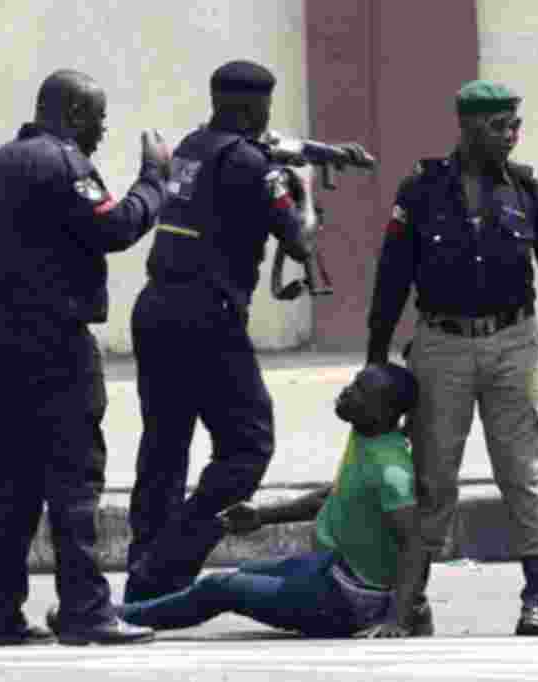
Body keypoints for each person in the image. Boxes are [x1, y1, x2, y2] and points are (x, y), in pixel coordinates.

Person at [0, 68, 171, 646]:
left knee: (14, 486)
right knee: (74, 482)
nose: (101, 132)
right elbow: (117, 227)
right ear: (73, 114)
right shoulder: (63, 163)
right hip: (56, 348)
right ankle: (86, 612)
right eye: (97, 119)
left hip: (4, 349)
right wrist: (155, 178)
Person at [365, 79, 538, 636]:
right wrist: (375, 355)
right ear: (465, 127)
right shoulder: (421, 190)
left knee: (525, 471)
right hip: (440, 345)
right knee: (432, 475)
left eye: (515, 125)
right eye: (498, 127)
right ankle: (413, 598)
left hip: (514, 342)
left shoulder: (530, 190)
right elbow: (392, 276)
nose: (511, 136)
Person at [120, 60, 323, 603]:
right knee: (247, 446)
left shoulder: (193, 146)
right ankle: (166, 567)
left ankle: (144, 565)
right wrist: (305, 191)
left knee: (164, 447)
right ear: (255, 107)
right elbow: (301, 242)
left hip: (157, 307)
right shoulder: (254, 165)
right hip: (207, 315)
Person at [54, 363, 427, 638]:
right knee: (243, 575)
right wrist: (261, 516)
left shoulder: (390, 470)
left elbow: (414, 543)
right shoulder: (366, 435)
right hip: (332, 567)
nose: (348, 392)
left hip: (348, 600)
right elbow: (333, 497)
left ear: (387, 413)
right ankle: (112, 615)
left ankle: (110, 616)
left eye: (361, 393)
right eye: (353, 384)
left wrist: (398, 618)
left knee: (220, 588)